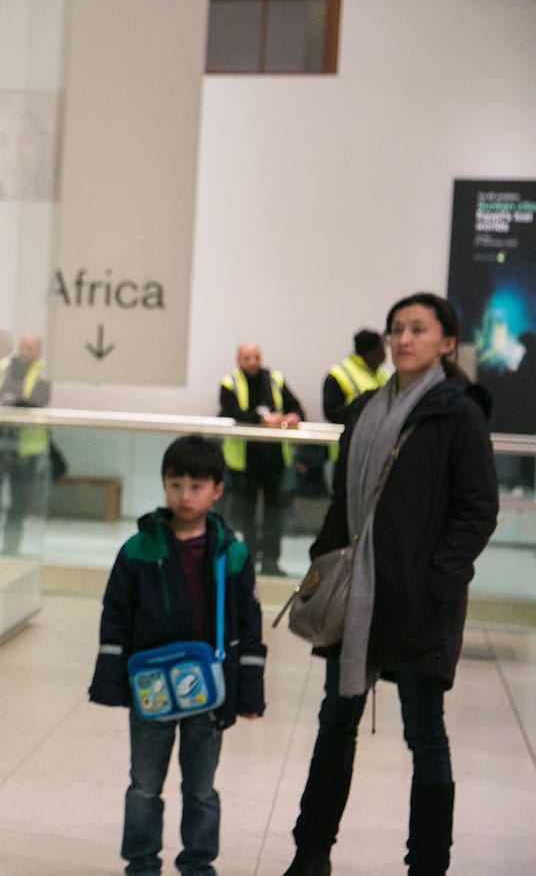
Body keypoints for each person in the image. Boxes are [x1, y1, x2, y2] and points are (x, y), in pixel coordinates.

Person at [282, 293, 498, 876]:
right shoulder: (363, 409)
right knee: (336, 725)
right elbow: (342, 503)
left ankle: (427, 864)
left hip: (422, 601)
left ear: (446, 343)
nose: (404, 339)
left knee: (425, 733)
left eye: (419, 330)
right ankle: (312, 853)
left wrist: (436, 581)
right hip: (354, 599)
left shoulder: (458, 413)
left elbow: (477, 511)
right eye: (397, 329)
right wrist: (321, 564)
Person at [89, 434, 266, 876]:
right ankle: (142, 863)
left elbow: (249, 628)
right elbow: (115, 617)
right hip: (151, 689)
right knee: (144, 785)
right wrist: (112, 684)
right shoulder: (138, 550)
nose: (185, 496)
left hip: (211, 691)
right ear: (164, 485)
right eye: (175, 484)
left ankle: (198, 863)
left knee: (201, 787)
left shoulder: (234, 554)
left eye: (196, 486)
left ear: (217, 490)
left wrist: (250, 696)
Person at [218, 341, 305, 576]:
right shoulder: (230, 382)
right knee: (244, 514)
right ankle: (246, 561)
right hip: (244, 461)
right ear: (238, 360)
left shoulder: (275, 378)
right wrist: (262, 420)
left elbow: (297, 407)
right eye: (247, 357)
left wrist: (292, 416)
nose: (252, 362)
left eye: (256, 357)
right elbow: (230, 413)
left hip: (274, 458)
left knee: (273, 514)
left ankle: (270, 561)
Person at [0, 332, 50, 554]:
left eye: (30, 348)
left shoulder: (42, 372)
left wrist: (4, 403)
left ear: (39, 351)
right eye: (23, 346)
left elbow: (37, 401)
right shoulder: (4, 367)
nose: (25, 351)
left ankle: (11, 549)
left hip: (25, 450)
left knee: (18, 504)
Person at [322, 328, 389, 424]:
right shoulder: (338, 375)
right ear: (370, 352)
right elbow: (331, 414)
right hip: (354, 434)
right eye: (380, 348)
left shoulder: (384, 375)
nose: (384, 353)